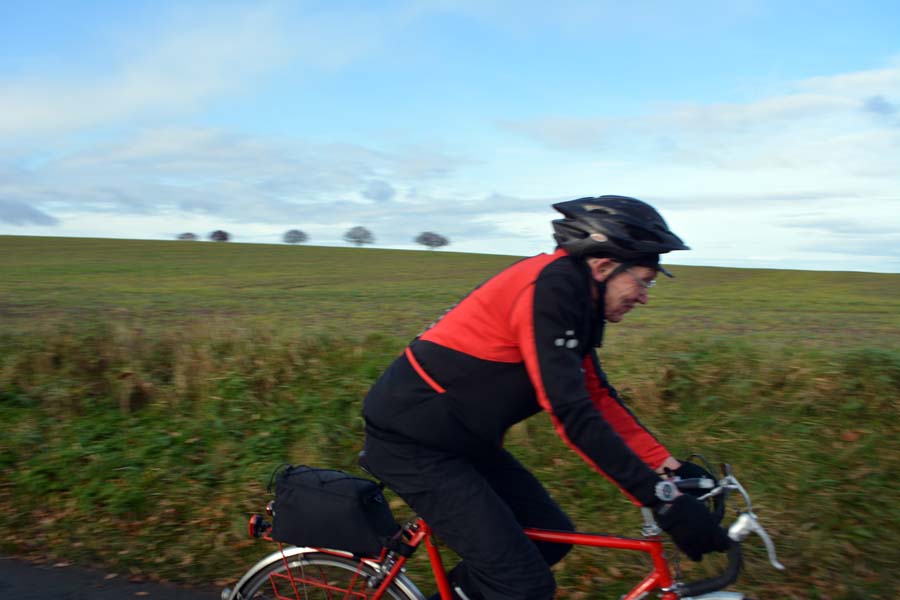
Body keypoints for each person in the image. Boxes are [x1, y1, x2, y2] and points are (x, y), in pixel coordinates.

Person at [360, 196, 731, 600]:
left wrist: (670, 470)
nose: (644, 295)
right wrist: (664, 501)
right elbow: (572, 415)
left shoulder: (576, 297)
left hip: (463, 440)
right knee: (522, 584)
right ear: (604, 266)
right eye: (643, 280)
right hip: (413, 444)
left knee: (551, 541)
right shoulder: (551, 290)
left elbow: (596, 396)